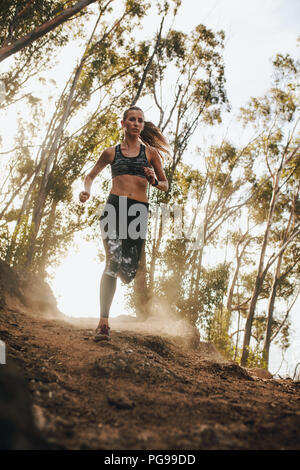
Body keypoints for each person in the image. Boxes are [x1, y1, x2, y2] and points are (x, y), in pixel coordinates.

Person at [79, 106, 170, 341]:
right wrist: (86, 191)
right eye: (132, 119)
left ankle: (118, 274)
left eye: (140, 120)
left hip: (138, 212)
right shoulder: (111, 153)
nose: (136, 123)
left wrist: (153, 180)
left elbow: (165, 184)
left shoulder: (150, 154)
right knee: (113, 261)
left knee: (128, 271)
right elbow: (90, 176)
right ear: (123, 123)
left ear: (142, 125)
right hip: (114, 208)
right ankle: (104, 323)